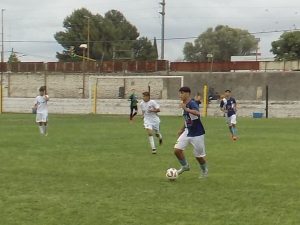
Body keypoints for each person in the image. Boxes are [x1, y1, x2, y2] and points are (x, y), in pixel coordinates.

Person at [174, 86, 208, 178]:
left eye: (182, 93)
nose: (180, 95)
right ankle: (185, 166)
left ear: (188, 93)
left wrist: (186, 109)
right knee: (177, 150)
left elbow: (197, 113)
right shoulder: (183, 104)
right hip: (187, 131)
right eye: (179, 93)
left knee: (199, 156)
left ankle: (204, 170)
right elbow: (187, 119)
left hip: (197, 133)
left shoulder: (192, 103)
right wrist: (182, 129)